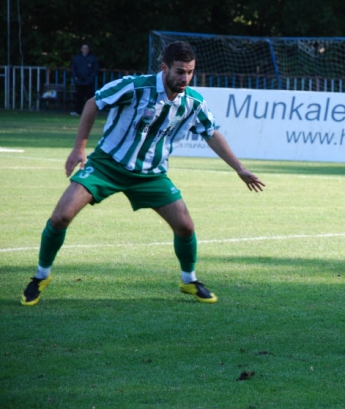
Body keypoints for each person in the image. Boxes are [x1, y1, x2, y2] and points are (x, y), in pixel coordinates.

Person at [21, 41, 265, 306]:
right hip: (107, 165)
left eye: (190, 72)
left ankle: (189, 280)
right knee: (61, 216)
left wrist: (239, 168)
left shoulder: (193, 102)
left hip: (151, 174)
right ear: (164, 68)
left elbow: (211, 133)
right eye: (180, 71)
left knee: (185, 226)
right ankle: (41, 276)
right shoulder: (135, 87)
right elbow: (94, 102)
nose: (186, 78)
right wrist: (79, 147)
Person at [71, 44, 99, 116]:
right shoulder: (77, 58)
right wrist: (75, 77)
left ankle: (90, 112)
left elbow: (95, 70)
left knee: (89, 97)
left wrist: (90, 78)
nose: (85, 50)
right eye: (84, 48)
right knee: (79, 97)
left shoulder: (92, 58)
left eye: (86, 48)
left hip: (89, 82)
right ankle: (78, 111)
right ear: (81, 49)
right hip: (79, 81)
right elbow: (73, 68)